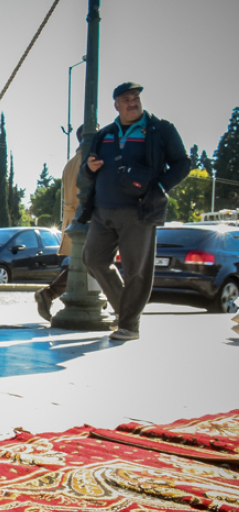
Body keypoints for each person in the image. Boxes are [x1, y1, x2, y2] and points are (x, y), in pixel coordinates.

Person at [79, 82, 190, 341]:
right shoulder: (105, 133)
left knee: (136, 271)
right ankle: (125, 311)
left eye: (136, 97)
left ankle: (129, 326)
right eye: (126, 99)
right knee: (92, 259)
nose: (133, 102)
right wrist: (89, 168)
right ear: (116, 105)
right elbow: (86, 169)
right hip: (102, 210)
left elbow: (182, 163)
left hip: (140, 211)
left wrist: (161, 186)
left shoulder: (161, 130)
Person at [34, 125, 96, 321]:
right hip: (88, 218)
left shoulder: (70, 163)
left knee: (83, 265)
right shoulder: (88, 161)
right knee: (95, 263)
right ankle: (102, 305)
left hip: (73, 218)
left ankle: (50, 294)